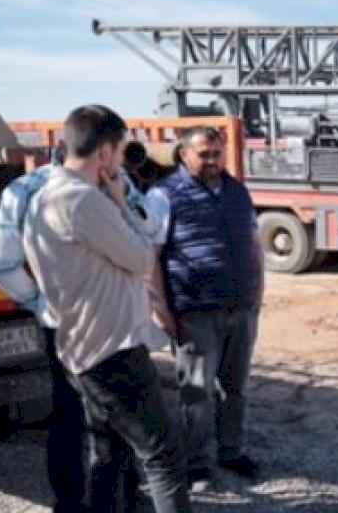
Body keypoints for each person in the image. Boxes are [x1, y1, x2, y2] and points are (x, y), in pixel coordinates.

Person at [22, 105, 190, 513]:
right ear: (105, 153)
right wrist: (118, 201)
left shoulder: (44, 197)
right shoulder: (83, 201)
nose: (120, 162)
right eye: (120, 152)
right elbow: (142, 258)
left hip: (84, 348)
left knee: (110, 454)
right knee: (163, 456)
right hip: (113, 351)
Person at [0, 143, 163, 512]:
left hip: (79, 321)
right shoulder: (30, 189)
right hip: (109, 322)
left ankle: (86, 500)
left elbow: (2, 265)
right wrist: (41, 303)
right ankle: (112, 497)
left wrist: (41, 304)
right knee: (105, 412)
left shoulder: (35, 188)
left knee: (79, 411)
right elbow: (1, 263)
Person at [145, 126, 264, 487]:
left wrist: (258, 291)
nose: (212, 160)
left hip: (241, 307)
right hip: (194, 311)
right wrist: (161, 307)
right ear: (183, 154)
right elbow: (151, 254)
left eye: (217, 153)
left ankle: (231, 451)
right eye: (204, 154)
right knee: (196, 391)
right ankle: (196, 462)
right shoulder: (163, 196)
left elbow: (254, 242)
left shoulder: (238, 191)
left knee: (236, 387)